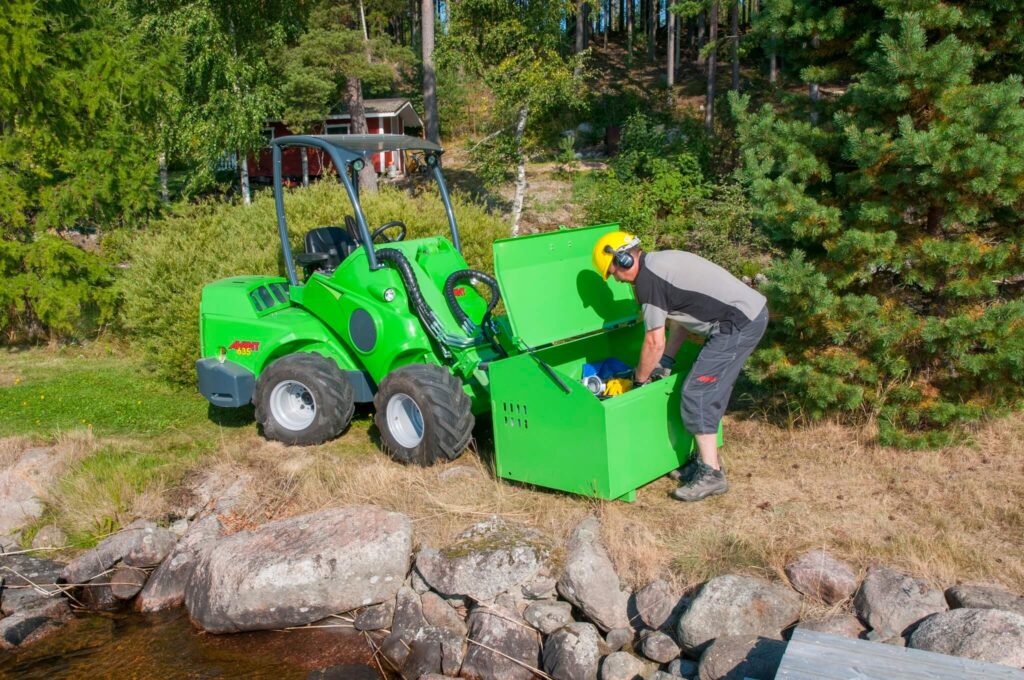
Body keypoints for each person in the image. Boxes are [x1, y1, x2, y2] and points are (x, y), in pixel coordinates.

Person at [591, 231, 769, 502]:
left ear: (623, 259)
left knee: (698, 391)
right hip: (745, 316)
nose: (616, 279)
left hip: (738, 324)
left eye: (613, 272)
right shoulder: (659, 262)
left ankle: (712, 474)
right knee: (703, 388)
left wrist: (639, 380)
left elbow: (654, 341)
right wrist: (666, 362)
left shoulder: (647, 282)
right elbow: (681, 318)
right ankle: (705, 461)